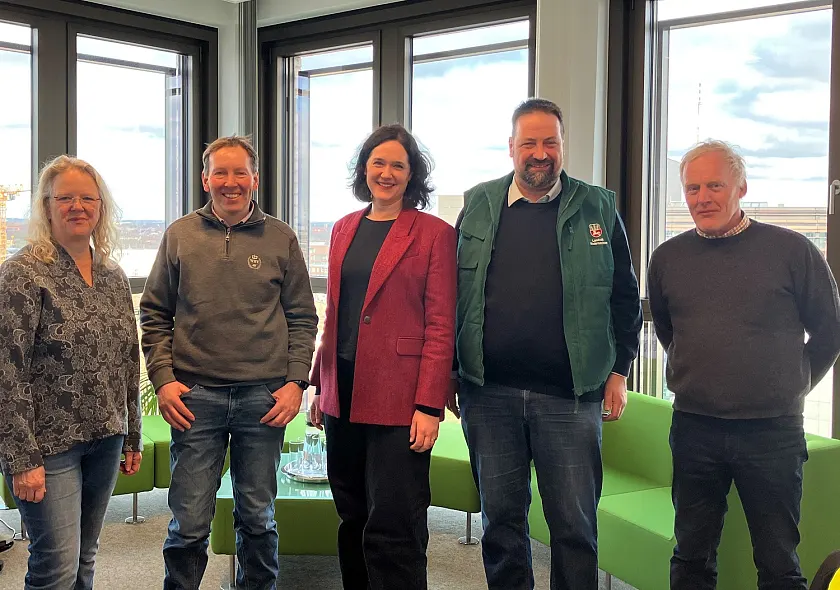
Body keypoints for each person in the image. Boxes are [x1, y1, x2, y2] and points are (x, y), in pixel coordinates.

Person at [446, 98, 642, 590]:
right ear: (511, 148)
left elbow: (624, 298)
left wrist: (620, 370)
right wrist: (450, 372)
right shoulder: (478, 206)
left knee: (574, 528)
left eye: (549, 142)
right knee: (502, 523)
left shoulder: (598, 206)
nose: (540, 152)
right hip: (488, 396)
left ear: (562, 146)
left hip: (571, 399)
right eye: (529, 142)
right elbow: (451, 294)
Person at [647, 140, 840, 590]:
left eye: (715, 185)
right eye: (692, 187)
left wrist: (791, 383)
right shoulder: (668, 258)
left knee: (777, 560)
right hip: (695, 428)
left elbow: (830, 332)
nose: (702, 197)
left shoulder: (792, 251)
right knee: (691, 555)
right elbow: (670, 331)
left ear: (741, 188)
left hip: (772, 432)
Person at [140, 135, 318, 589]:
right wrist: (163, 380)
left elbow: (302, 316)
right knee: (189, 524)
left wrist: (297, 382)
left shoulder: (281, 238)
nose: (231, 182)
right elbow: (155, 313)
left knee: (258, 519)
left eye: (240, 172)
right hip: (195, 399)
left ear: (255, 179)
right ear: (205, 179)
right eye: (221, 172)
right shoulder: (180, 235)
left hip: (264, 398)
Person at [308, 124, 456, 590]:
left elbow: (440, 325)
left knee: (395, 524)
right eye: (378, 163)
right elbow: (335, 312)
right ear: (364, 169)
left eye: (398, 165)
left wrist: (430, 405)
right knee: (351, 514)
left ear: (412, 175)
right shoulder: (343, 228)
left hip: (401, 398)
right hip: (343, 393)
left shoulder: (434, 234)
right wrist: (320, 384)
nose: (386, 173)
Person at [0, 155, 143, 590]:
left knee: (84, 559)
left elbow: (127, 359)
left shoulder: (113, 275)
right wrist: (21, 458)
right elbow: (7, 372)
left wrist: (132, 433)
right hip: (48, 447)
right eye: (65, 198)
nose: (77, 206)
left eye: (87, 198)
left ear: (101, 207)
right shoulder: (22, 274)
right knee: (55, 566)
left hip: (106, 437)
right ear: (46, 206)